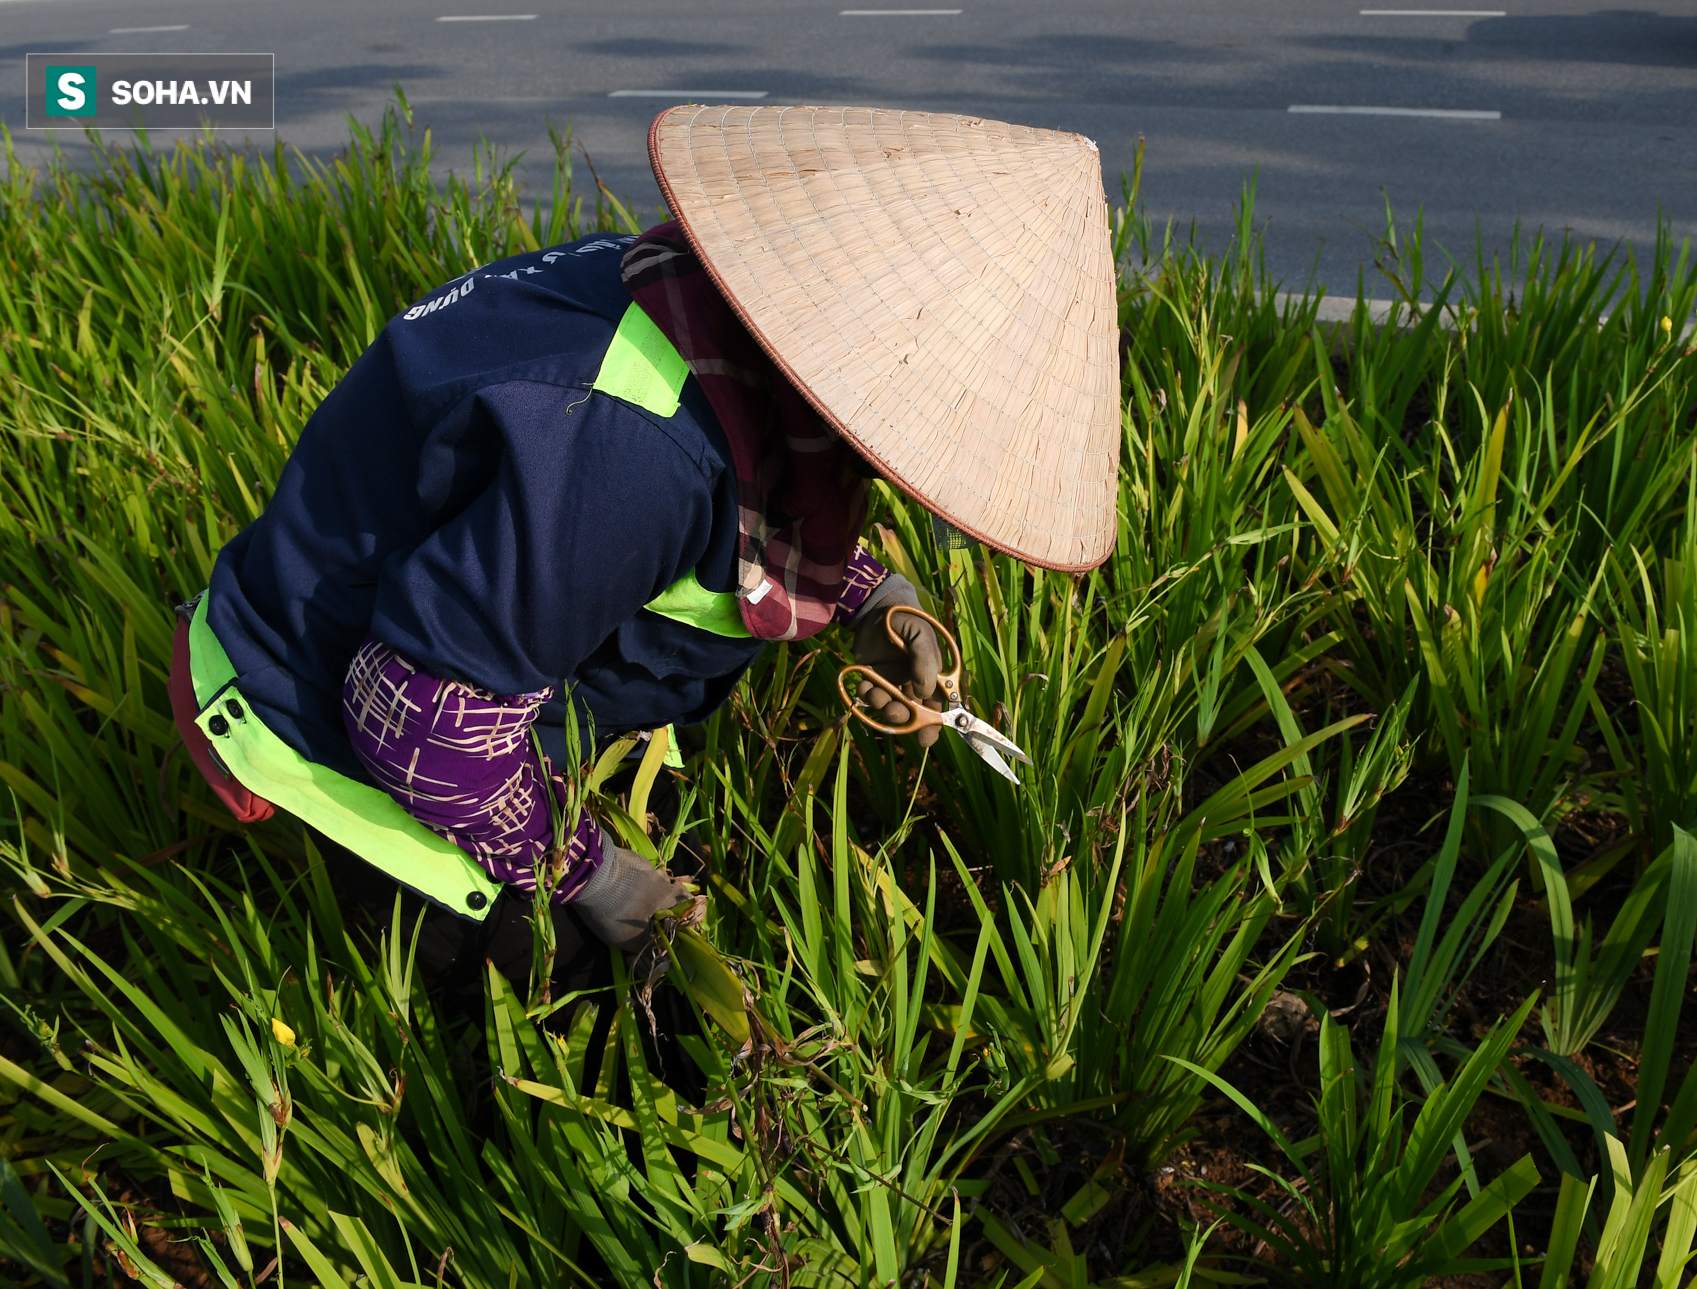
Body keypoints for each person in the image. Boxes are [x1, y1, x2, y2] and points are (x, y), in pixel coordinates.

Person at [167, 104, 1121, 993]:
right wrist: (592, 872)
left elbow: (684, 505)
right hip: (315, 702)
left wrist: (870, 596)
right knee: (582, 980)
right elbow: (411, 717)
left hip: (442, 618)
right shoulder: (637, 456)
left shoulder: (694, 307)